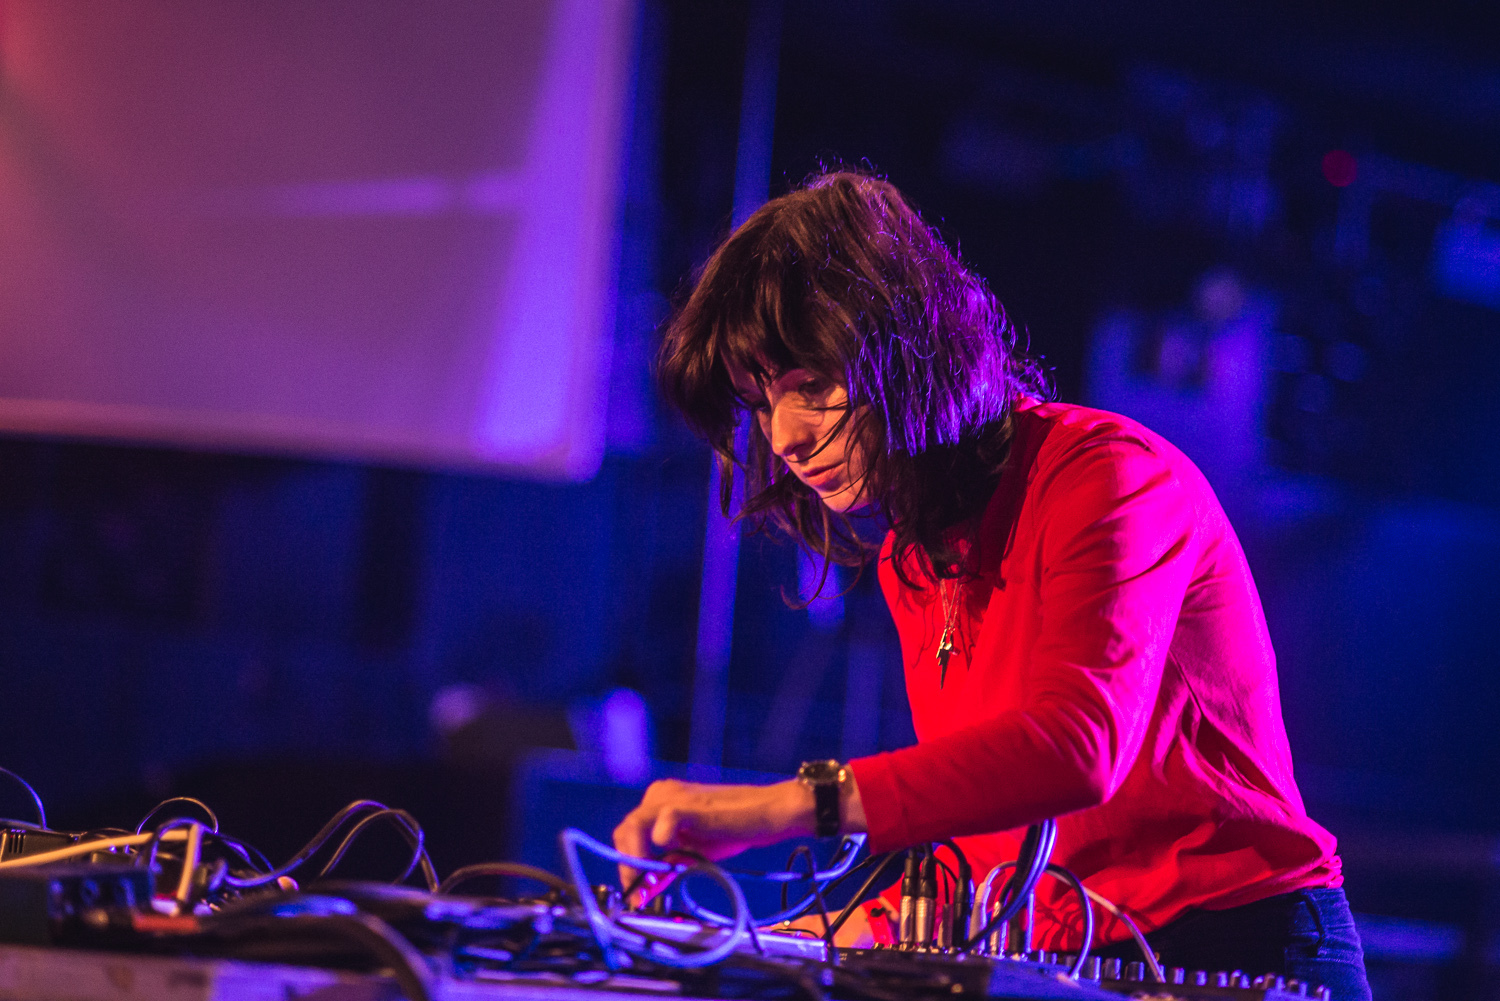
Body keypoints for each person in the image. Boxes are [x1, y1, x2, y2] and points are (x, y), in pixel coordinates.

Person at [613, 171, 1370, 999]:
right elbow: (990, 838)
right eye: (763, 404)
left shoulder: (1107, 476)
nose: (785, 437)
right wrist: (809, 934)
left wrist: (774, 808)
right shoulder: (911, 558)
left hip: (1246, 947)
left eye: (810, 386)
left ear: (904, 349)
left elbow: (1076, 748)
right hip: (1088, 961)